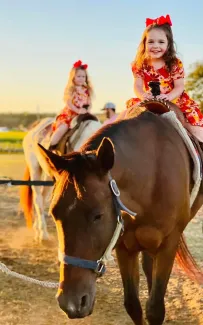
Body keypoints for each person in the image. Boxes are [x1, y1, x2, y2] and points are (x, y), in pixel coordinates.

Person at [126, 14, 203, 143]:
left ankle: (199, 150)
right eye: (151, 41)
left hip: (175, 99)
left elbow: (179, 86)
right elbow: (137, 85)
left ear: (168, 44)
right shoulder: (139, 64)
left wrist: (169, 96)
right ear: (144, 44)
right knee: (126, 119)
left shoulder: (173, 63)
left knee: (195, 129)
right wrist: (143, 95)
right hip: (150, 99)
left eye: (161, 42)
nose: (155, 46)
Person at [49, 60, 93, 150]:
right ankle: (50, 147)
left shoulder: (86, 90)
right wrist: (77, 111)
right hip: (70, 115)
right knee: (63, 129)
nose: (81, 78)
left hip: (83, 114)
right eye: (79, 76)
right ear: (73, 77)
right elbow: (68, 103)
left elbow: (89, 103)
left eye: (83, 76)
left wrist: (87, 111)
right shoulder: (71, 89)